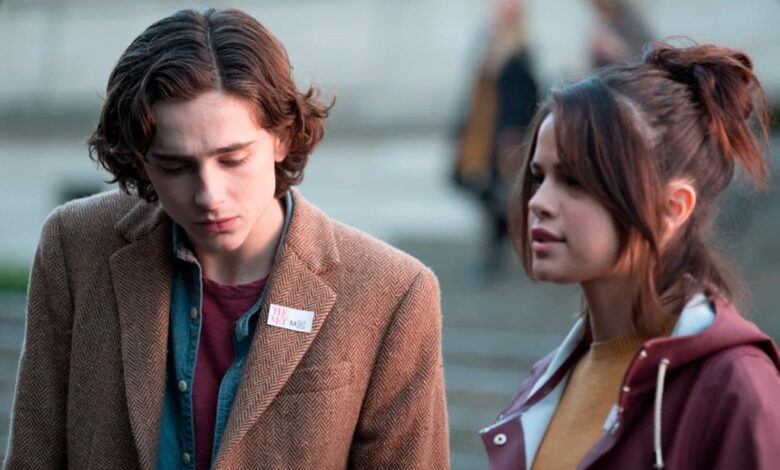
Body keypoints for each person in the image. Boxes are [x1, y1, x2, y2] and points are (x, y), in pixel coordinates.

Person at [4, 8, 449, 470]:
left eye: (232, 160)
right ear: (140, 162)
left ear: (281, 138)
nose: (209, 196)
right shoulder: (76, 245)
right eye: (175, 166)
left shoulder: (392, 293)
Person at [479, 40, 780, 469]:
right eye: (538, 177)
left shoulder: (735, 385)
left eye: (575, 181)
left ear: (672, 208)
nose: (538, 202)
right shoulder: (544, 383)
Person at [453, 0, 538, 276]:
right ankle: (503, 227)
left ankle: (495, 250)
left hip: (501, 136)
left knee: (492, 188)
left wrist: (512, 137)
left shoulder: (519, 50)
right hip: (481, 132)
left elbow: (524, 95)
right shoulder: (489, 44)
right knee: (466, 181)